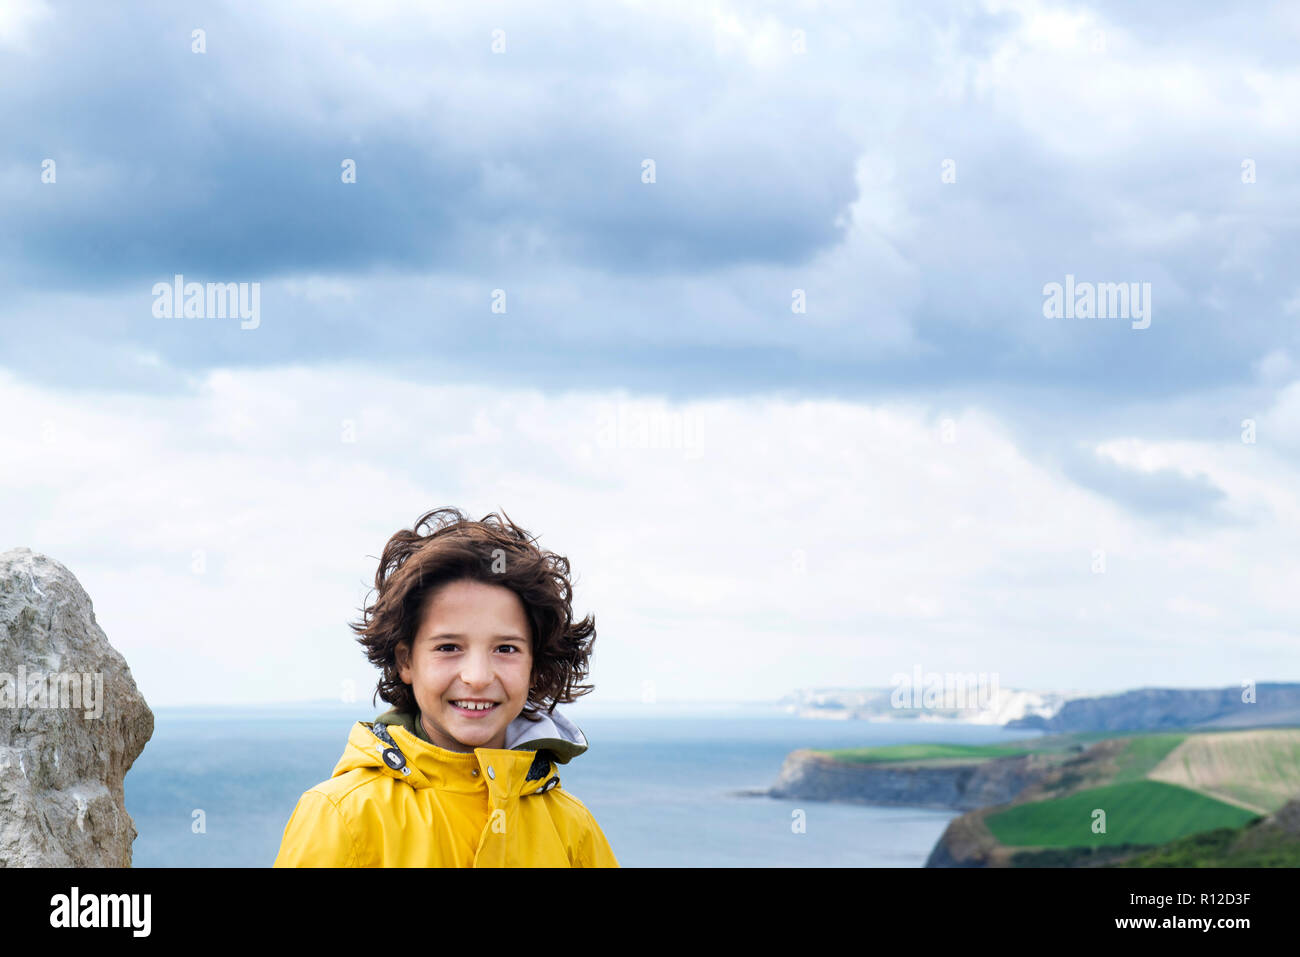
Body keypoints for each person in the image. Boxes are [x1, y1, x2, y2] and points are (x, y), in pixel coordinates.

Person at [273, 507, 619, 867]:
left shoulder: (572, 828)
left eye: (506, 649)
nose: (478, 676)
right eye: (448, 647)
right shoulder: (341, 816)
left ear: (535, 666)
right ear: (406, 661)